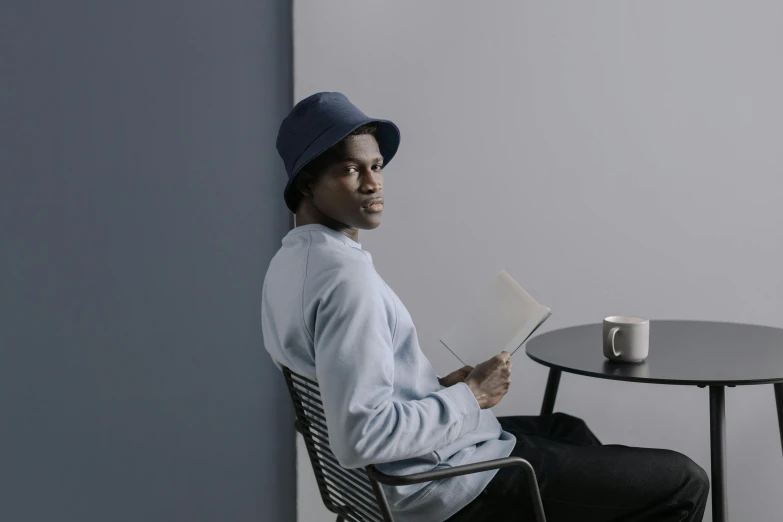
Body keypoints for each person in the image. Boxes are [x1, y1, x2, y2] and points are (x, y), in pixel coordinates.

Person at [262, 91, 709, 522]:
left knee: (567, 429)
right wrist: (472, 394)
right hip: (446, 487)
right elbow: (361, 436)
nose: (373, 182)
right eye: (349, 170)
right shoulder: (347, 281)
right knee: (684, 480)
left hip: (410, 474)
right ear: (307, 182)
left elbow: (353, 387)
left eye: (377, 165)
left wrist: (438, 387)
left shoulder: (290, 265)